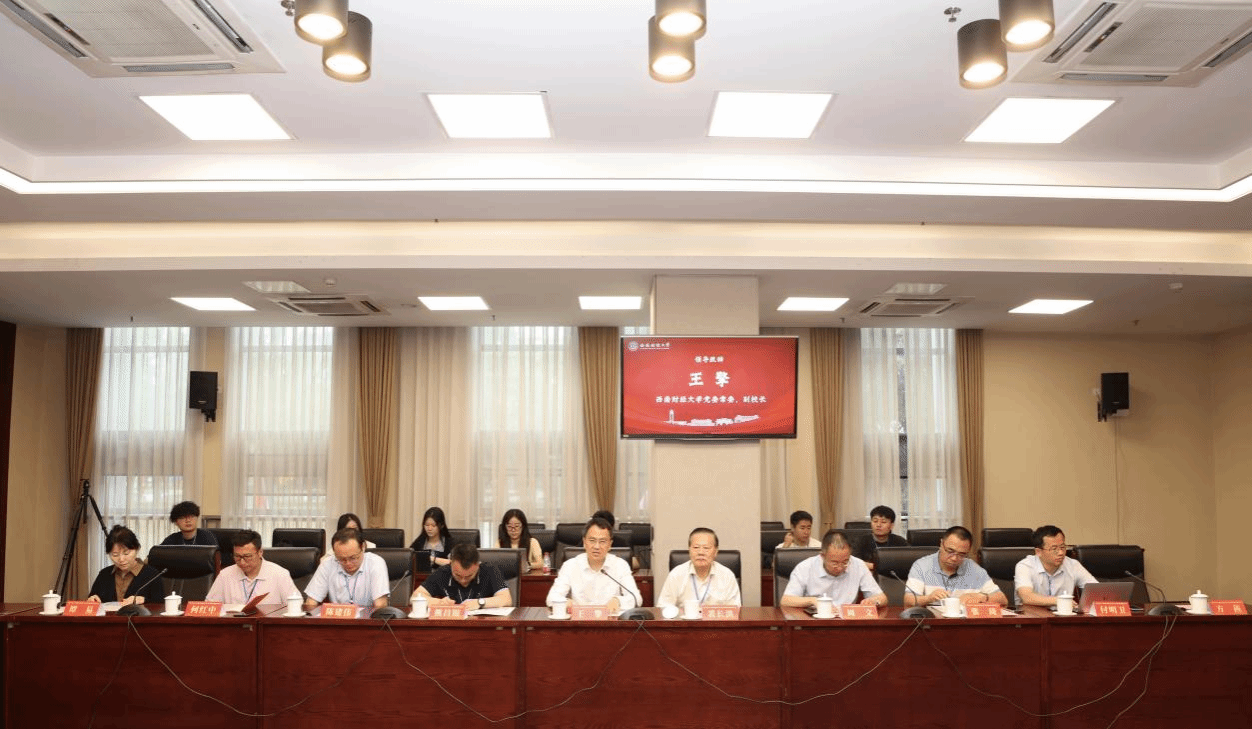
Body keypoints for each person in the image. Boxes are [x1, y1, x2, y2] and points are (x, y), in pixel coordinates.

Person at [546, 517, 639, 612]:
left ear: (610, 544)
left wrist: (618, 601)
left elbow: (637, 598)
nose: (597, 546)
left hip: (610, 619)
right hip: (579, 620)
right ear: (584, 542)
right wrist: (566, 602)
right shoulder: (570, 566)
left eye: (602, 541)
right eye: (592, 540)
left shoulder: (620, 565)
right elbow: (551, 598)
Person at [904, 526, 1007, 607]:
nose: (954, 558)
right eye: (950, 551)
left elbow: (1003, 600)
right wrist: (929, 598)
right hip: (932, 623)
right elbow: (908, 601)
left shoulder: (973, 568)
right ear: (941, 544)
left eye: (962, 554)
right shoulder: (922, 566)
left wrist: (982, 597)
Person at [780, 530, 886, 609]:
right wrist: (813, 601)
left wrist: (874, 601)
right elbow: (786, 600)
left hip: (847, 622)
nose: (840, 567)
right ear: (822, 556)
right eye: (834, 563)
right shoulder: (805, 567)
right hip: (814, 622)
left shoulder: (858, 565)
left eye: (845, 562)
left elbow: (882, 598)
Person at [206, 529, 298, 610]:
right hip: (234, 623)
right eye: (237, 556)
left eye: (247, 556)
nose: (242, 562)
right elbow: (209, 607)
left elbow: (296, 606)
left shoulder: (280, 574)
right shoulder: (225, 575)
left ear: (260, 552)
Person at [304, 528, 391, 610]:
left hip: (367, 619)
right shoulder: (328, 564)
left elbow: (380, 605)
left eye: (353, 558)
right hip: (337, 618)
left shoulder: (375, 563)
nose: (348, 563)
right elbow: (311, 602)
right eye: (341, 559)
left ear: (363, 547)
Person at [1014, 525, 1098, 608]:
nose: (1061, 553)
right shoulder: (1025, 566)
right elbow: (1027, 597)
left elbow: (1097, 591)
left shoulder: (1073, 565)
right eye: (1054, 549)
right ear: (1038, 552)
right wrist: (1060, 601)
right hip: (1031, 615)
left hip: (1063, 615)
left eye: (1062, 547)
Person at [657, 527, 741, 609]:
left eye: (706, 548)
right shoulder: (676, 575)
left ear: (716, 551)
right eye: (696, 547)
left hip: (716, 619)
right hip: (684, 618)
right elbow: (663, 607)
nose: (701, 552)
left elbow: (735, 610)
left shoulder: (727, 576)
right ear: (689, 550)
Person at [412, 543, 512, 609]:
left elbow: (506, 599)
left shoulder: (490, 570)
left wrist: (480, 603)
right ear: (451, 564)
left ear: (477, 565)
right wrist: (438, 603)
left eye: (469, 576)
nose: (463, 580)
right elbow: (415, 597)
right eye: (458, 575)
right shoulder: (443, 572)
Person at [87, 525, 165, 607]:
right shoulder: (104, 574)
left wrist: (144, 600)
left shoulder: (152, 575)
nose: (121, 559)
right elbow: (92, 600)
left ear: (137, 549)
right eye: (115, 555)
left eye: (126, 553)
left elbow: (160, 606)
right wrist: (92, 600)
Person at [852, 505, 909, 571]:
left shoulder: (900, 542)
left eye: (883, 522)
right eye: (875, 521)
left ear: (891, 525)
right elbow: (854, 562)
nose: (878, 525)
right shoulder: (861, 541)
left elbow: (909, 561)